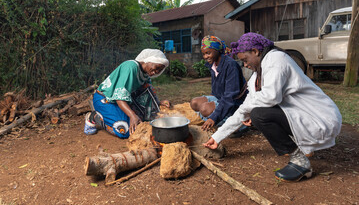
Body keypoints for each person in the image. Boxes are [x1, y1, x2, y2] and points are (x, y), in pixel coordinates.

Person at [203, 33, 342, 182]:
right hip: (301, 115)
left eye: (245, 60)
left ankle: (300, 162)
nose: (245, 65)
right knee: (256, 113)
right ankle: (303, 149)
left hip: (320, 117)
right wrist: (217, 137)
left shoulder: (277, 59)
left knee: (259, 114)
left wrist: (247, 112)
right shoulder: (257, 75)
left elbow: (271, 97)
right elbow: (245, 108)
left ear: (256, 51)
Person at [84, 49, 171, 138]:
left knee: (145, 120)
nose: (156, 72)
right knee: (124, 130)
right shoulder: (130, 67)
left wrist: (158, 102)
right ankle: (93, 117)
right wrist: (132, 115)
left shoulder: (146, 74)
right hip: (106, 99)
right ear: (149, 60)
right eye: (156, 67)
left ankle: (116, 114)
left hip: (123, 102)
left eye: (160, 70)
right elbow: (119, 97)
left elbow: (147, 94)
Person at [190, 35, 248, 135]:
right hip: (221, 98)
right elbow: (216, 92)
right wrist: (211, 103)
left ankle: (238, 126)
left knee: (205, 109)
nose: (205, 57)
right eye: (203, 54)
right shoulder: (213, 65)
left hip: (236, 103)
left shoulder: (230, 65)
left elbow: (231, 97)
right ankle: (222, 119)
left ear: (217, 50)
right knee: (194, 102)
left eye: (208, 53)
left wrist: (213, 117)